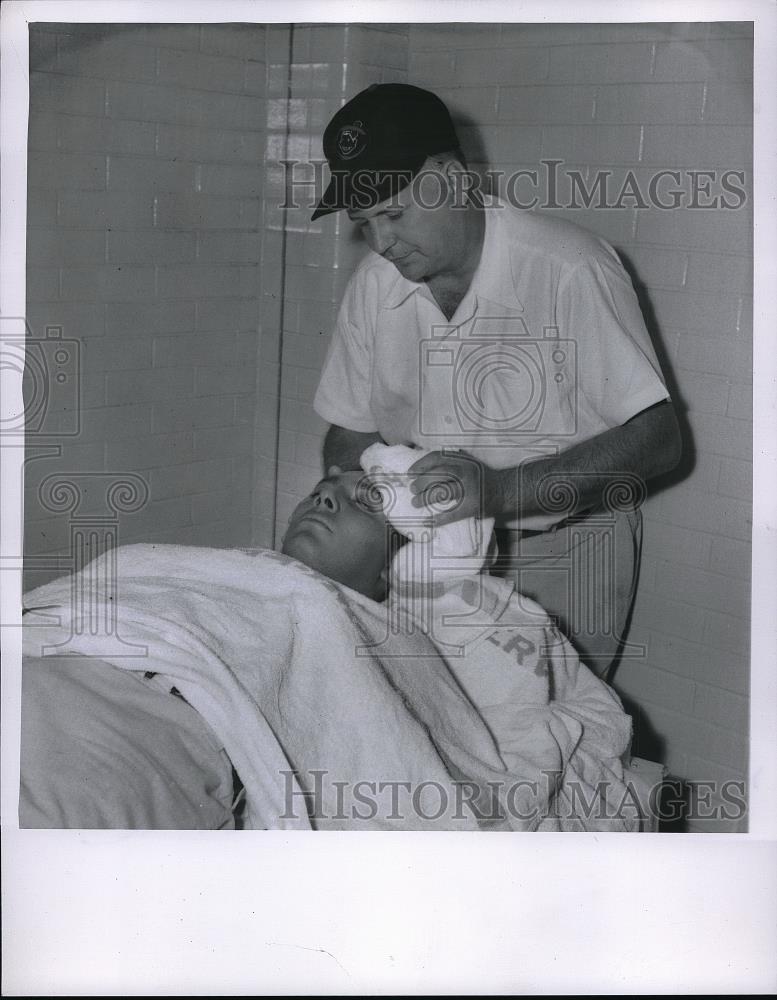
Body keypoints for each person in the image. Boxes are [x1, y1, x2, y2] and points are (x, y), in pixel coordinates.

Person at [310, 83, 682, 678]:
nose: (381, 244)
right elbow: (350, 431)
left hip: (562, 548)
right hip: (429, 557)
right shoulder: (374, 287)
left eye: (394, 214)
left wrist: (499, 494)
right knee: (445, 740)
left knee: (555, 744)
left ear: (454, 179)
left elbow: (660, 439)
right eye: (365, 222)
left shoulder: (568, 267)